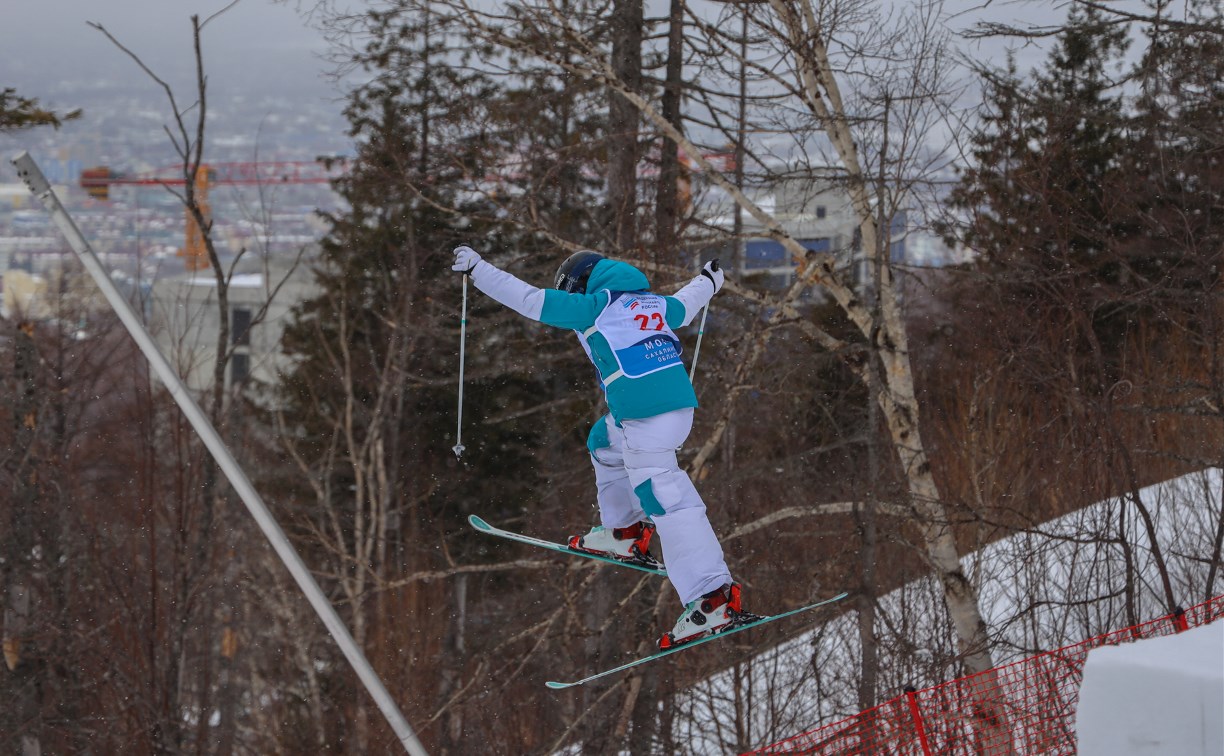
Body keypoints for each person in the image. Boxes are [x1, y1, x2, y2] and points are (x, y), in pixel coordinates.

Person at [451, 244, 750, 648]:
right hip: (674, 410)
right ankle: (624, 531)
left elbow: (529, 299)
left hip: (646, 419)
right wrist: (709, 281)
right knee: (604, 442)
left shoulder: (595, 306)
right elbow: (686, 303)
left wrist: (478, 269)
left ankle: (712, 598)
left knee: (665, 496)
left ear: (580, 285)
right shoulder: (653, 303)